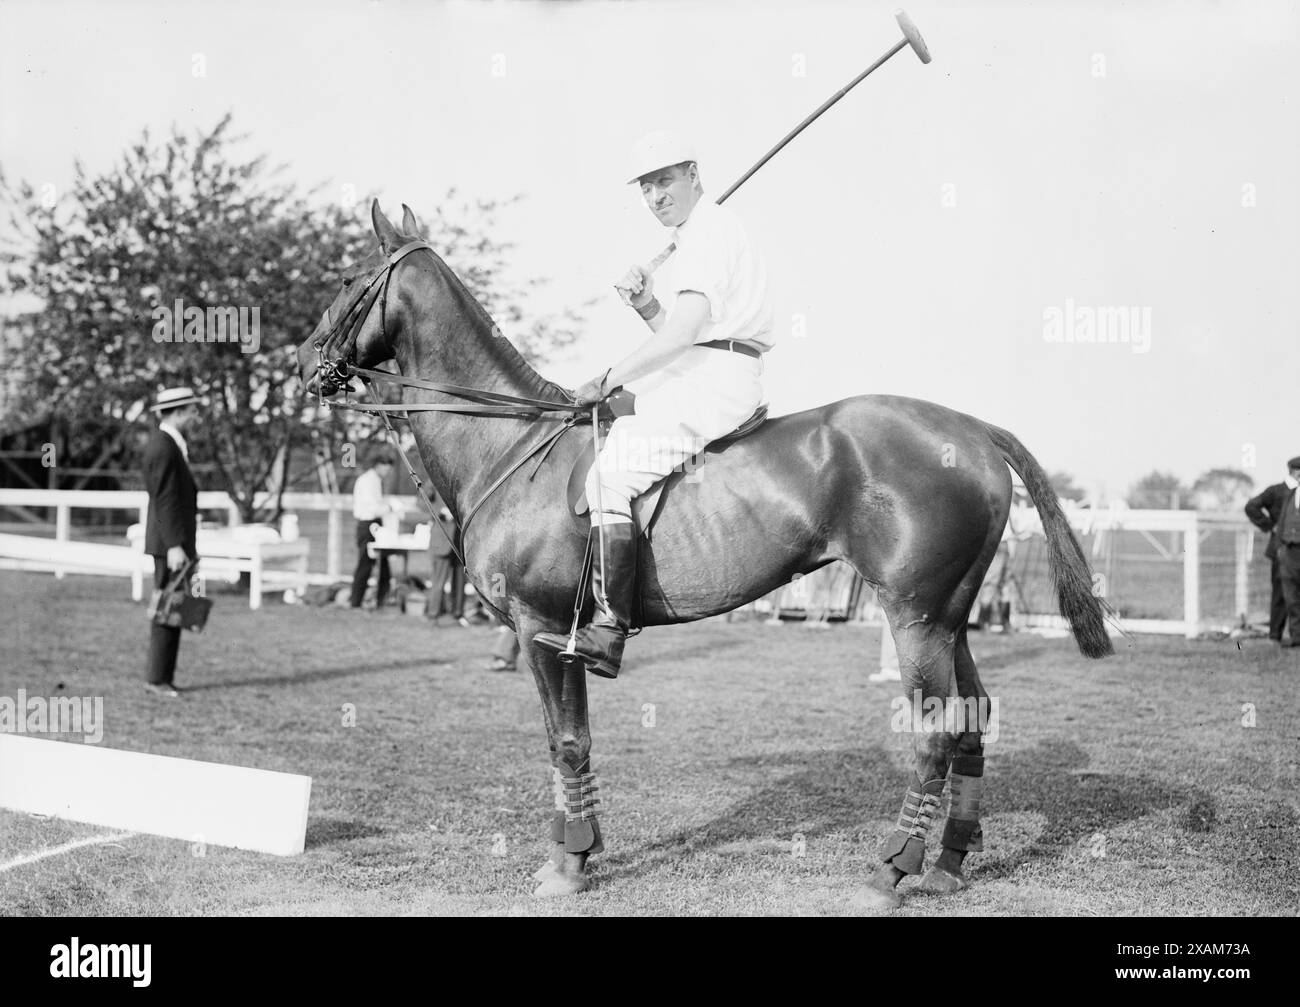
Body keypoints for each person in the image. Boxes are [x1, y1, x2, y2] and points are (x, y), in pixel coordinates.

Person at [534, 130, 774, 678]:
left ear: (694, 174)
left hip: (718, 377)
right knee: (612, 420)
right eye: (646, 188)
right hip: (710, 364)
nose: (656, 197)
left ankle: (608, 629)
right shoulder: (702, 232)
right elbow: (683, 334)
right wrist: (646, 304)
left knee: (607, 480)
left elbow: (683, 337)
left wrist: (605, 376)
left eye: (665, 181)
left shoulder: (708, 232)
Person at [141, 385, 203, 698]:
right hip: (170, 546)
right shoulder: (164, 447)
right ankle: (156, 680)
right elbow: (165, 501)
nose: (195, 417)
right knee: (167, 608)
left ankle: (162, 677)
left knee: (174, 608)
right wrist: (176, 545)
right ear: (178, 412)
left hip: (174, 544)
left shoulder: (169, 444)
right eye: (192, 411)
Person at [1245, 455, 1300, 646]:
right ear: (1295, 471)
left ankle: (1295, 636)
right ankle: (1275, 636)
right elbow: (1251, 506)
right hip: (1281, 548)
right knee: (1280, 593)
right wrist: (1270, 526)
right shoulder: (1277, 491)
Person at [349, 451, 396, 611]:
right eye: (385, 468)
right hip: (368, 525)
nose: (387, 472)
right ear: (378, 465)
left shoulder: (375, 480)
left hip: (375, 524)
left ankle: (380, 600)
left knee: (383, 564)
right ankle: (355, 601)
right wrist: (389, 507)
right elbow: (373, 508)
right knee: (365, 564)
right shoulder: (368, 481)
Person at [425, 492, 468, 626]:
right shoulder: (433, 479)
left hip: (459, 541)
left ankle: (458, 614)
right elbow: (421, 500)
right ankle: (433, 615)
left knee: (460, 582)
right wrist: (439, 511)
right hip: (441, 540)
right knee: (438, 582)